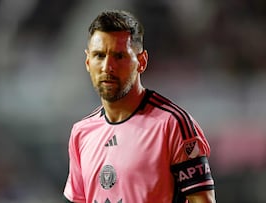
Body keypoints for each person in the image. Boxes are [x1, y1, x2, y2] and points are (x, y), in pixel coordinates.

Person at [63, 9, 216, 203]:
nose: (107, 66)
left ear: (141, 62)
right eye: (99, 56)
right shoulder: (81, 132)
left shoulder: (172, 125)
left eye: (119, 56)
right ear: (87, 62)